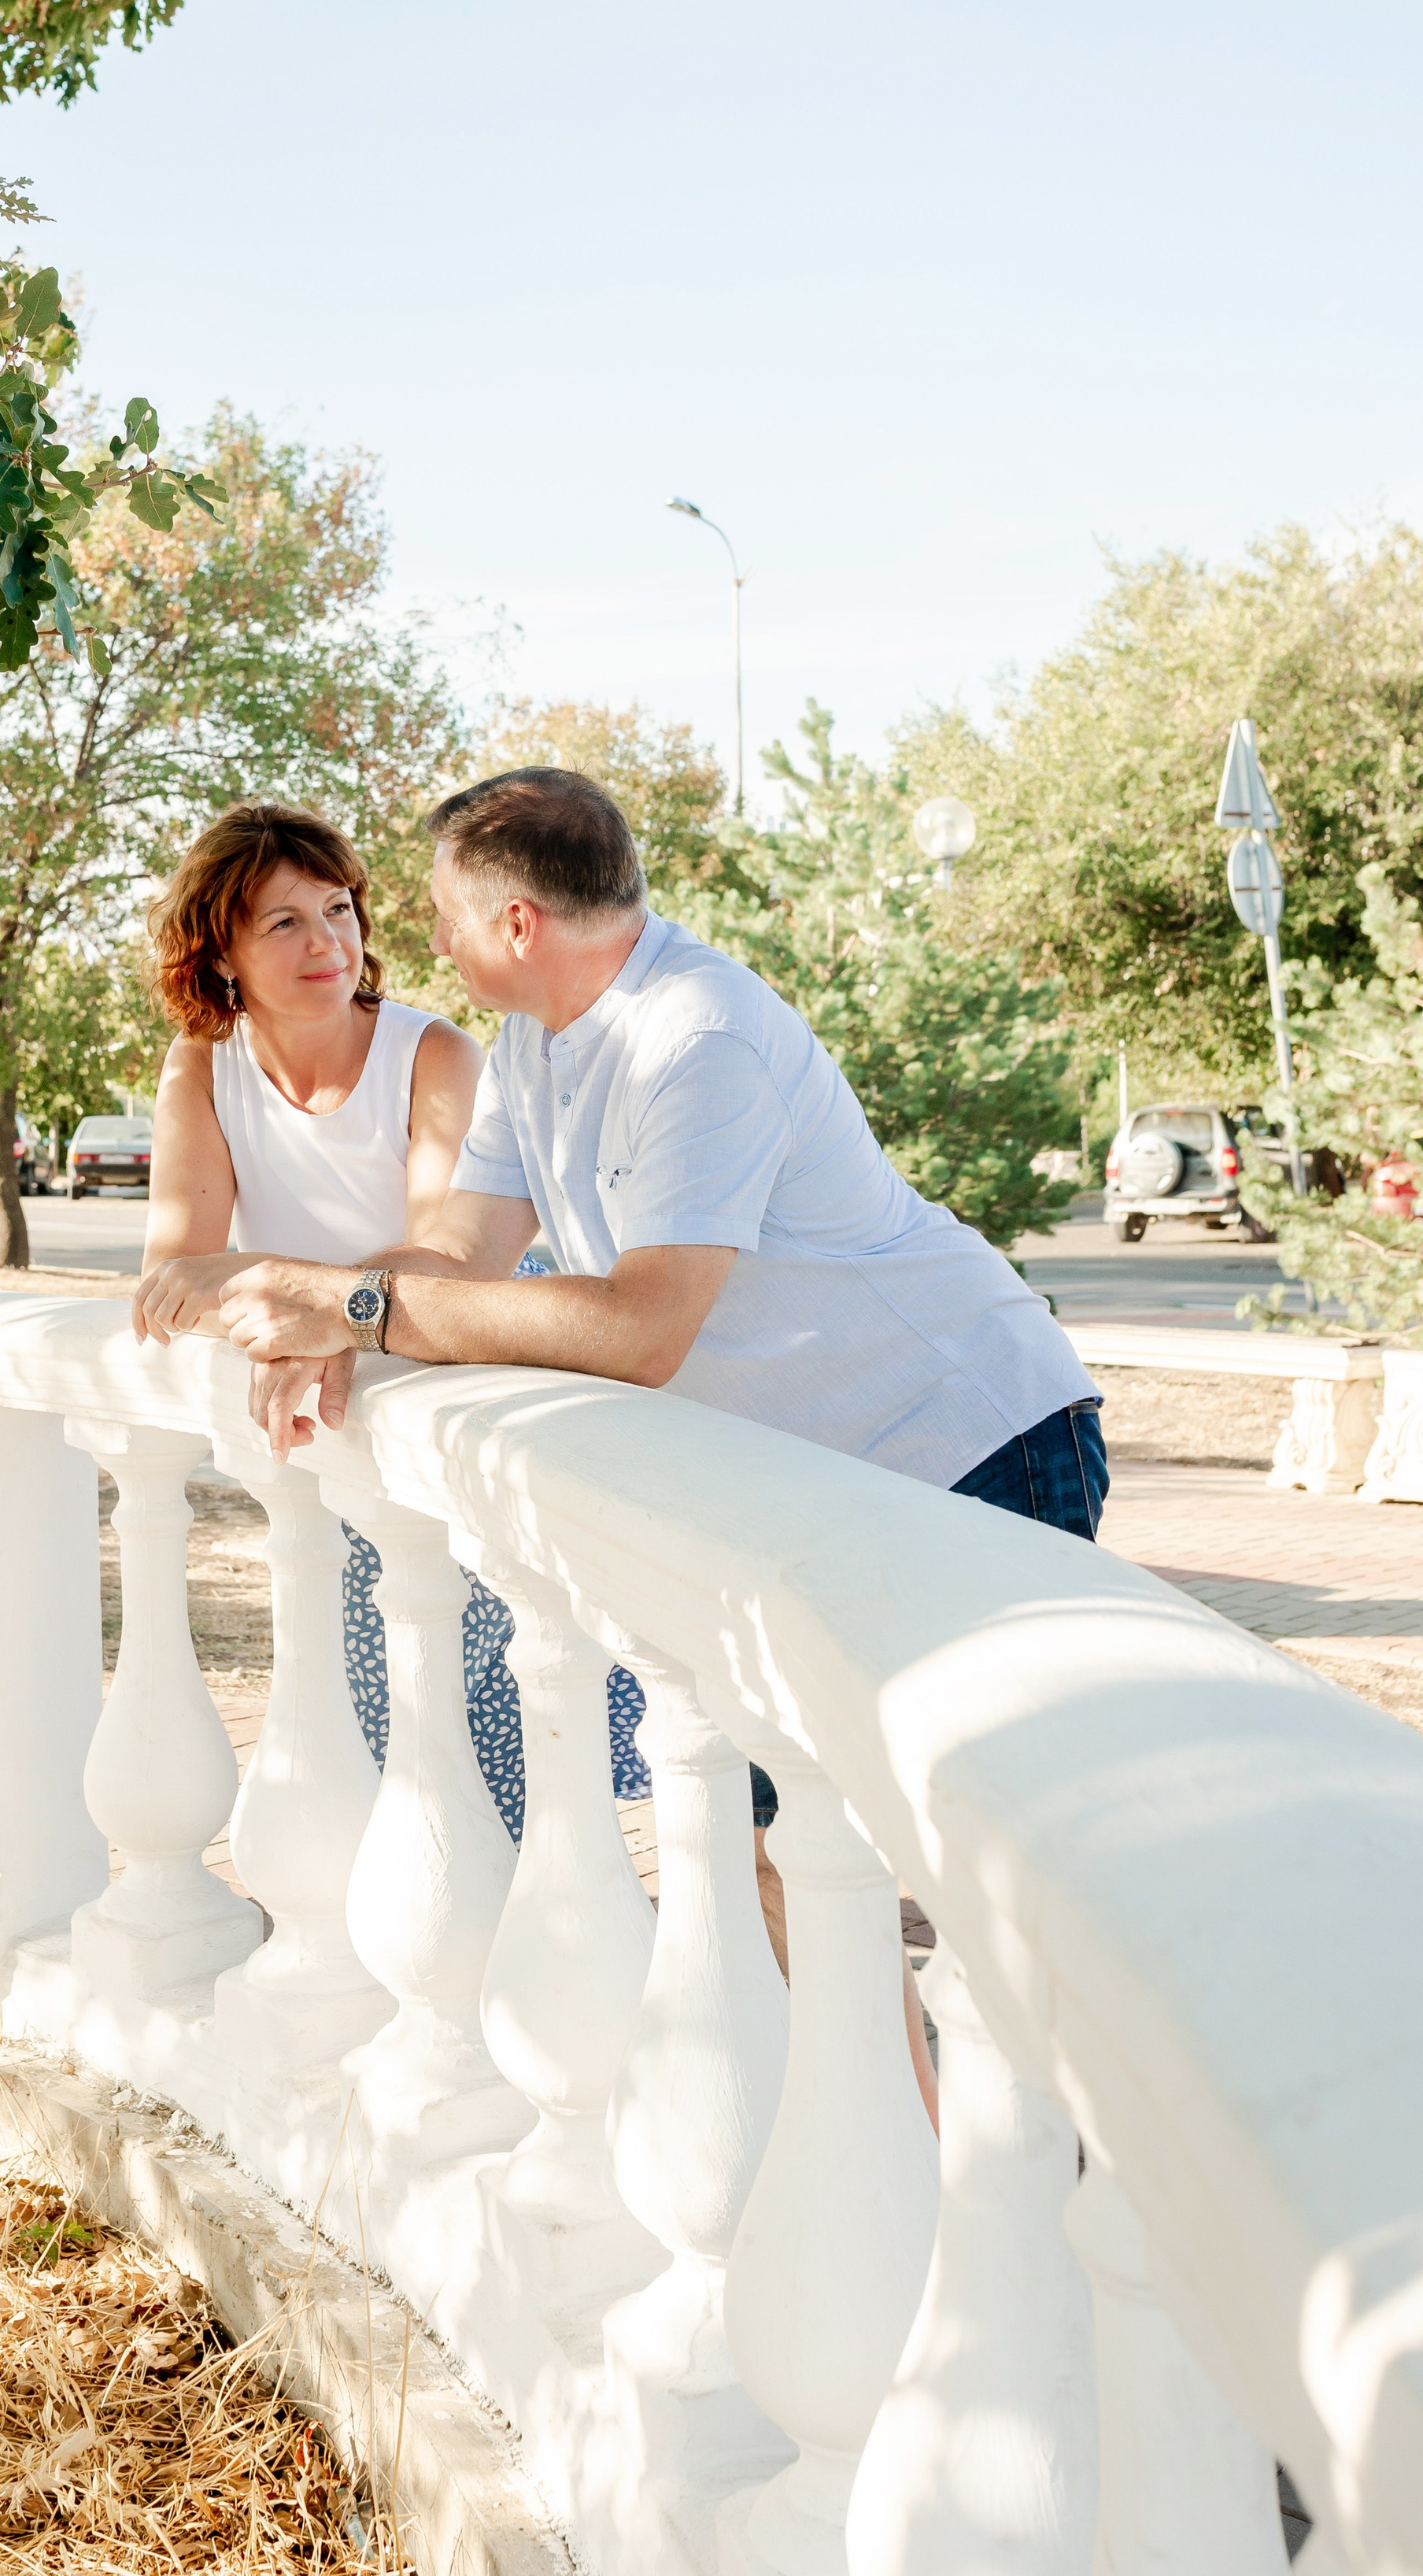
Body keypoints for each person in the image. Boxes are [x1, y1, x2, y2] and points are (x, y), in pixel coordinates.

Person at [212, 766, 1107, 2119]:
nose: (430, 945)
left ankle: (1086, 2194)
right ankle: (914, 2178)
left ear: (518, 926)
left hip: (971, 1444)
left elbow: (642, 1330)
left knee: (980, 1863)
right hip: (810, 1492)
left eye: (446, 915)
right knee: (783, 1854)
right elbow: (465, 1247)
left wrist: (352, 1302)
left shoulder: (701, 1038)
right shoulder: (541, 1039)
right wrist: (341, 1322)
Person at [131, 800, 652, 1838]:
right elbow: (175, 1280)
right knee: (390, 1717)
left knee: (516, 1693)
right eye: (284, 922)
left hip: (476, 1371)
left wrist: (294, 1304)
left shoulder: (434, 1055)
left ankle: (530, 1928)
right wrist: (286, 1321)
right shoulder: (204, 1067)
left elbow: (448, 1262)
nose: (329, 942)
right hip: (354, 1384)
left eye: (339, 909)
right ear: (220, 949)